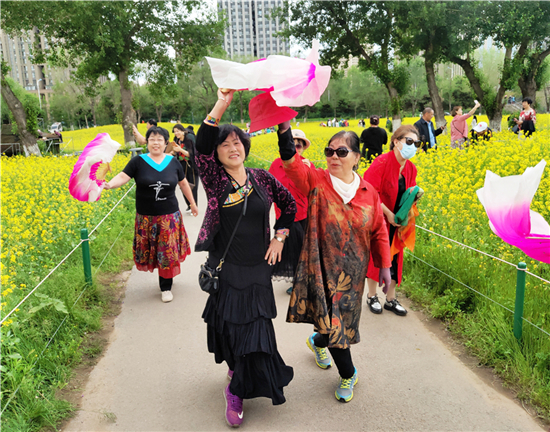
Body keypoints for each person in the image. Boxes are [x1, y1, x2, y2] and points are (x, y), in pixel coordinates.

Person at [195, 89, 296, 428]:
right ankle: (235, 390)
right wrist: (222, 102)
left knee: (256, 329)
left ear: (246, 147)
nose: (233, 148)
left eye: (238, 142)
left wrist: (280, 236)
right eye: (225, 145)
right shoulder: (214, 179)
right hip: (228, 268)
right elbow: (202, 143)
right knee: (233, 330)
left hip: (258, 269)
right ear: (218, 154)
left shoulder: (261, 178)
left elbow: (290, 207)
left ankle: (240, 383)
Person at [280, 125, 392, 403]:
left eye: (341, 151)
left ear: (356, 157)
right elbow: (292, 164)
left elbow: (378, 230)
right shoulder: (317, 181)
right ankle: (349, 373)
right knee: (334, 326)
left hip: (353, 275)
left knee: (336, 325)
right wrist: (284, 128)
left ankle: (318, 342)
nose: (334, 156)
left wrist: (385, 267)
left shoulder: (368, 192)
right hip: (320, 268)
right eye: (329, 151)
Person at [104, 126, 198, 303]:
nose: (156, 143)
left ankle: (166, 286)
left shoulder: (173, 162)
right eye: (152, 139)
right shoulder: (138, 162)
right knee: (153, 252)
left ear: (166, 143)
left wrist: (192, 203)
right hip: (146, 217)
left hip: (168, 217)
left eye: (159, 139)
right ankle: (165, 278)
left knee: (166, 252)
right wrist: (109, 184)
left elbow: (184, 184)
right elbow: (123, 177)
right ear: (147, 142)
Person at [363, 124, 420, 317]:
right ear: (396, 142)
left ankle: (390, 299)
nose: (413, 146)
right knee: (377, 256)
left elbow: (407, 195)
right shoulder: (381, 162)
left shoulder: (411, 168)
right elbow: (369, 193)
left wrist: (413, 200)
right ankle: (372, 296)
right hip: (380, 218)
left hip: (399, 221)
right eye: (409, 141)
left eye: (416, 143)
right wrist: (387, 214)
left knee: (395, 258)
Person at [268, 129, 313, 295]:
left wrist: (309, 171)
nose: (295, 147)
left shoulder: (307, 165)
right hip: (284, 217)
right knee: (291, 250)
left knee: (303, 249)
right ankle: (298, 280)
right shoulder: (275, 164)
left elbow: (314, 190)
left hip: (303, 215)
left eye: (299, 145)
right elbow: (269, 190)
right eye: (291, 143)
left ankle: (302, 281)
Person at [171, 124, 199, 213]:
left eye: (178, 131)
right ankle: (188, 205)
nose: (176, 133)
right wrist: (172, 152)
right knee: (183, 185)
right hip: (181, 165)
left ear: (182, 131)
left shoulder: (189, 140)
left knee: (193, 186)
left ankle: (194, 206)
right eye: (175, 131)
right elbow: (176, 152)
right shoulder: (176, 140)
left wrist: (180, 149)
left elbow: (191, 154)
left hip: (191, 166)